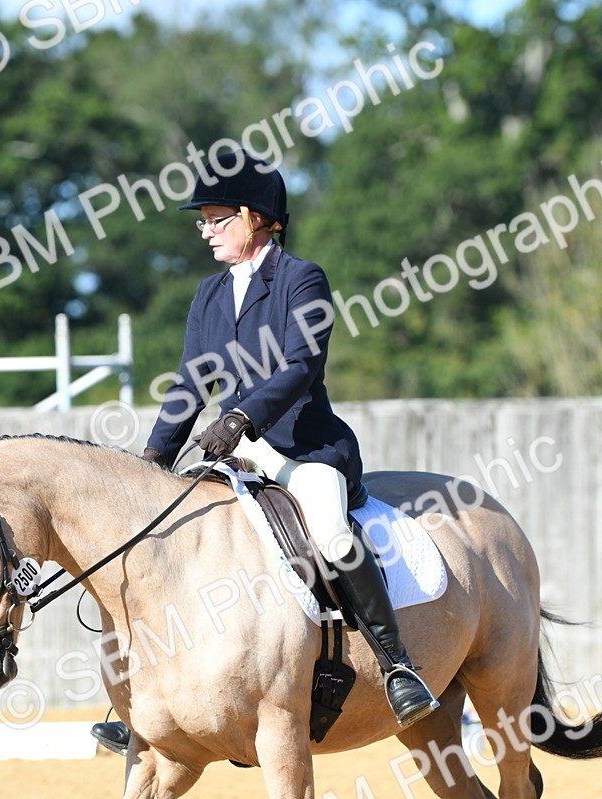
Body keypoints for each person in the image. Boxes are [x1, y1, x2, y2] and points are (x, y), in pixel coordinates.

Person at [90, 151, 438, 756]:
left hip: (302, 448)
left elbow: (303, 364)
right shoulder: (208, 294)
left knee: (329, 533)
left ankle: (398, 663)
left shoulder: (301, 278)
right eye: (202, 220)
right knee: (174, 547)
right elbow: (189, 383)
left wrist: (242, 417)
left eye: (216, 218)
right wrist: (153, 459)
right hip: (235, 454)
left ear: (255, 218)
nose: (204, 229)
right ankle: (149, 701)